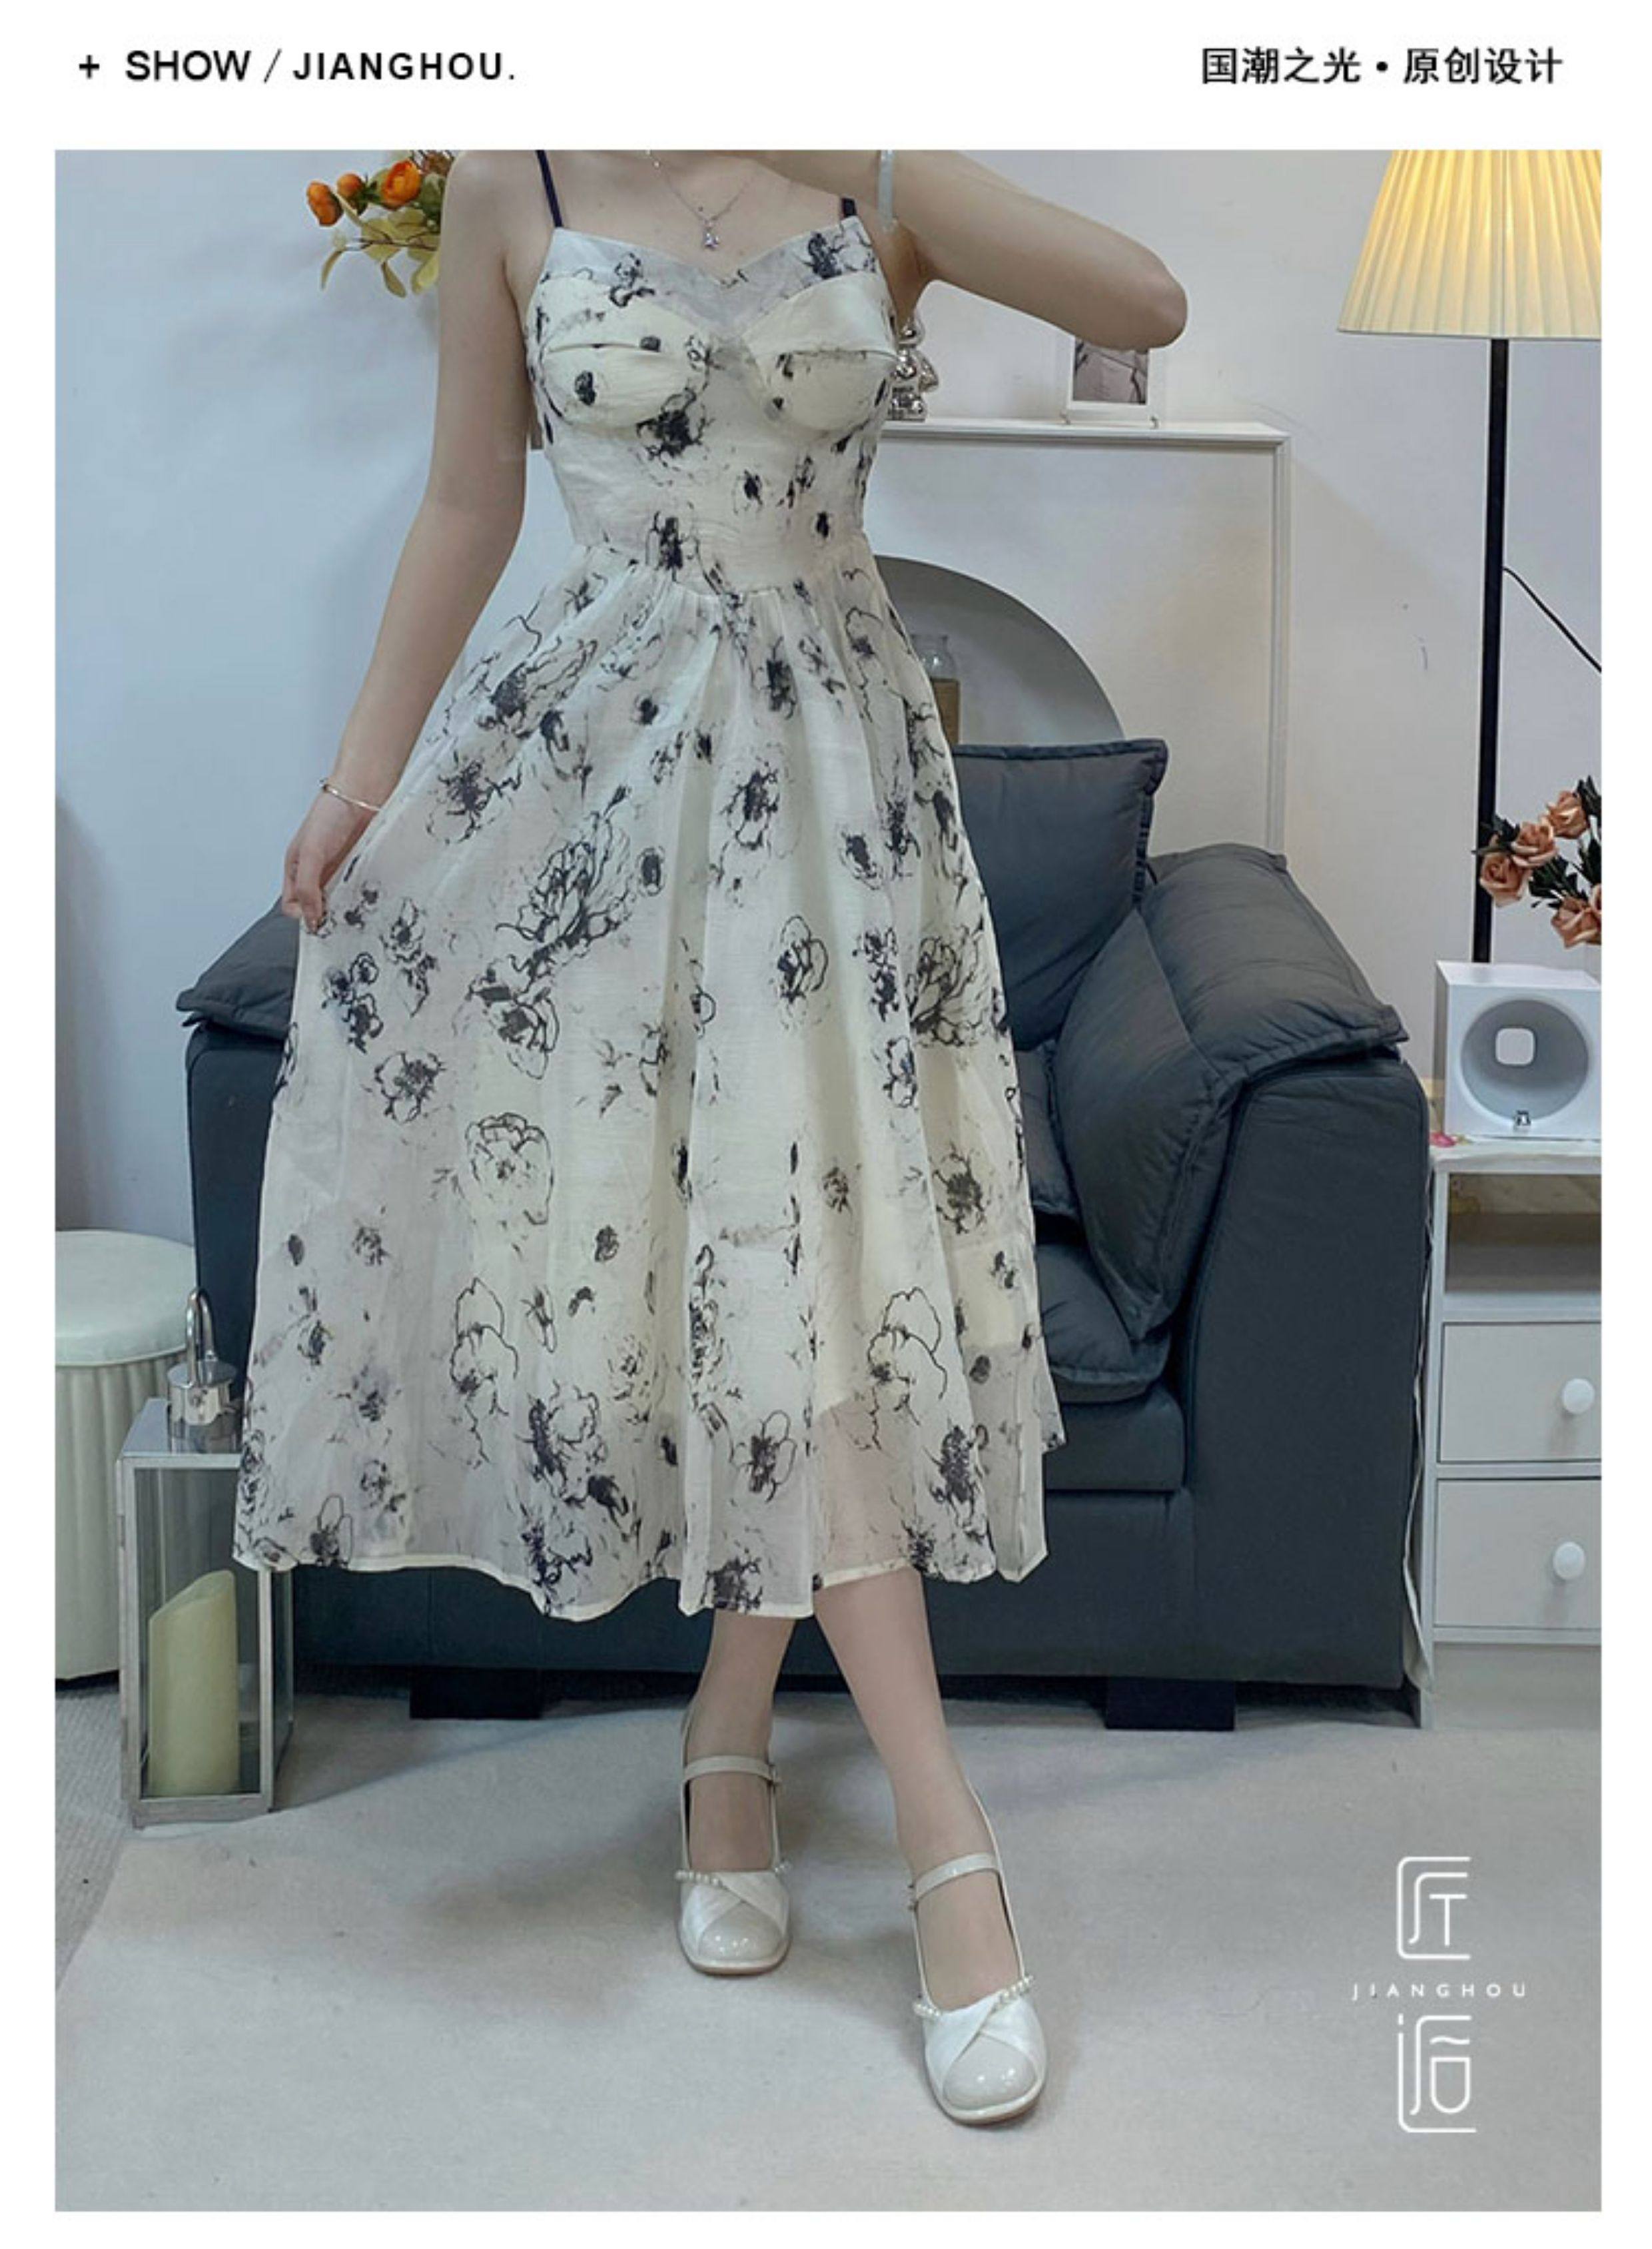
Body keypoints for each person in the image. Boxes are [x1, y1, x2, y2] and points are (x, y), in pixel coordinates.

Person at [237, 149, 1186, 2126]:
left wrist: (883, 149)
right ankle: (872, 1810)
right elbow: (468, 503)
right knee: (722, 1288)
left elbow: (1145, 304)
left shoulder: (868, 170)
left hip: (838, 798)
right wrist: (356, 784)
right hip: (604, 793)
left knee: (801, 1278)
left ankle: (788, 1764)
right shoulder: (514, 178)